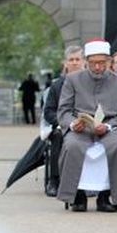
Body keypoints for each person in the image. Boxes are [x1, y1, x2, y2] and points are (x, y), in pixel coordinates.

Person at [56, 39, 117, 212]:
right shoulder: (72, 79)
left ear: (108, 61)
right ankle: (77, 195)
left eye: (101, 63)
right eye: (92, 63)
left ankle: (107, 196)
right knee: (71, 145)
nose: (97, 67)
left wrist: (108, 126)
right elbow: (63, 110)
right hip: (81, 128)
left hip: (109, 128)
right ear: (86, 62)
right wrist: (72, 123)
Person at [42, 45, 85, 197]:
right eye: (71, 60)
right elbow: (48, 111)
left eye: (77, 59)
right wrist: (63, 122)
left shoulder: (91, 83)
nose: (74, 63)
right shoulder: (56, 86)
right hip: (63, 126)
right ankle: (54, 180)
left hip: (86, 125)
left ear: (83, 61)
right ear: (65, 63)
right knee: (58, 137)